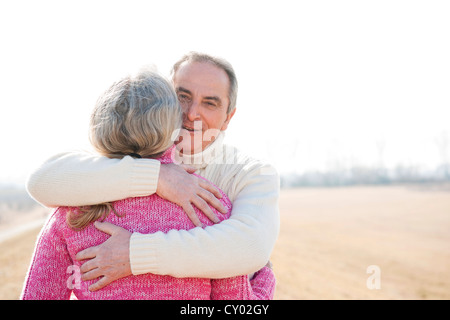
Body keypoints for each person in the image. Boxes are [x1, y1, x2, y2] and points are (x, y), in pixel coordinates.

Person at [26, 52, 280, 292]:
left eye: (210, 103)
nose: (192, 113)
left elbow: (250, 246)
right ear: (166, 99)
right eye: (183, 96)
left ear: (228, 118)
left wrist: (135, 254)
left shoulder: (252, 173)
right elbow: (41, 182)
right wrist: (156, 177)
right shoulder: (119, 153)